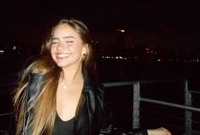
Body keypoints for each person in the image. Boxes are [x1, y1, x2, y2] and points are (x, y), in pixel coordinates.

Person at [12, 18, 172, 135]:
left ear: (85, 50)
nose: (60, 47)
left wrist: (147, 133)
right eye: (55, 41)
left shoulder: (96, 94)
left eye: (69, 41)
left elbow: (106, 134)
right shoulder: (38, 79)